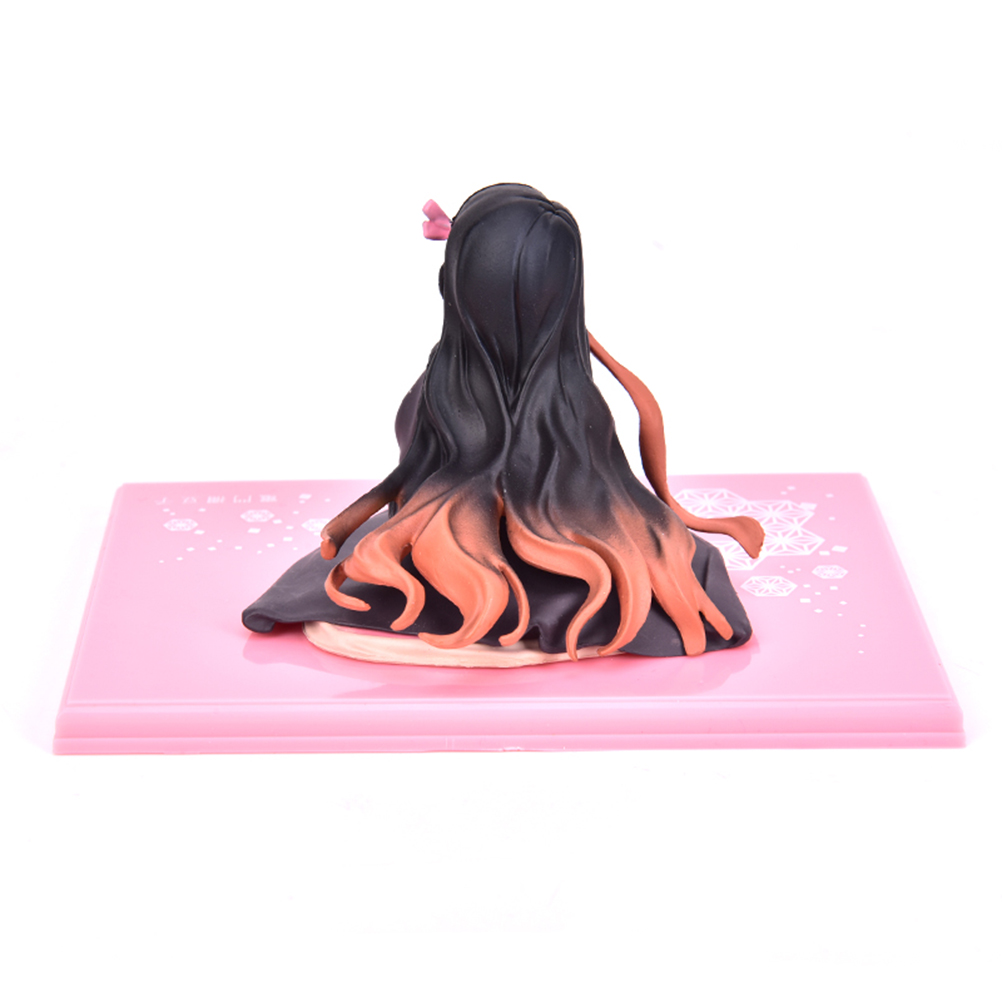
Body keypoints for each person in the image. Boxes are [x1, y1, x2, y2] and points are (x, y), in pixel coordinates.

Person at [243, 184, 763, 662]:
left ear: (458, 284)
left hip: (471, 558)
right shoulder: (572, 405)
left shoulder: (445, 395)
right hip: (532, 553)